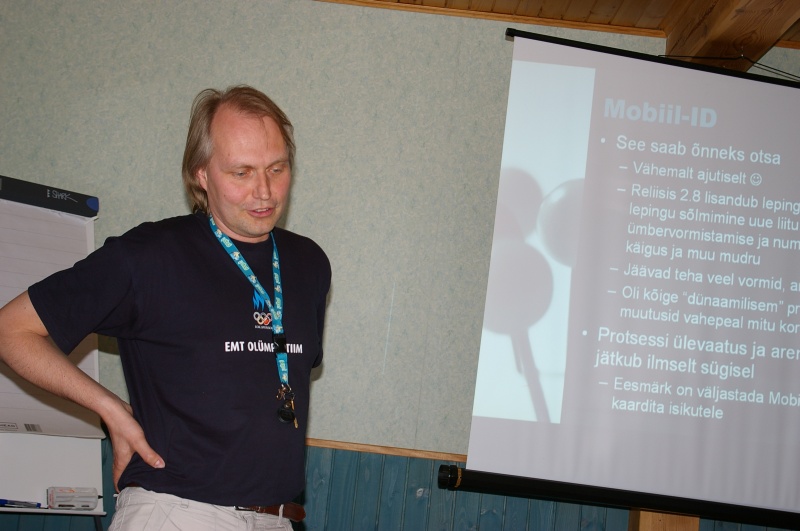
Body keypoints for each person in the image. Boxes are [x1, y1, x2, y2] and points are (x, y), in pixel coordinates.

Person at [0, 85, 331, 530]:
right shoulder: (149, 255)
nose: (265, 191)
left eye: (277, 168)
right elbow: (11, 330)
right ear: (201, 174)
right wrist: (110, 409)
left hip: (277, 518)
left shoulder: (309, 264)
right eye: (242, 172)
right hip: (176, 513)